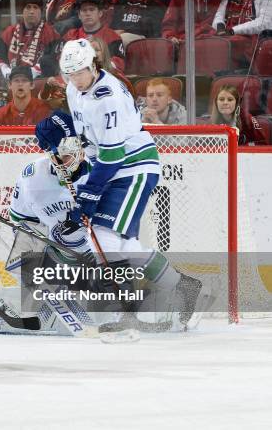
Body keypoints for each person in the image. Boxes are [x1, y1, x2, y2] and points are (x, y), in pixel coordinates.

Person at [34, 39, 207, 333]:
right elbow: (88, 140)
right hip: (109, 166)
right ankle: (180, 288)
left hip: (133, 167)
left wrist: (88, 195)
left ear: (93, 66)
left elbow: (113, 155)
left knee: (106, 241)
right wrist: (77, 166)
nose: (75, 80)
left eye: (80, 72)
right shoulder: (75, 89)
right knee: (110, 244)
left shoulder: (108, 96)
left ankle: (131, 312)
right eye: (70, 74)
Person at [0, 0, 60, 79]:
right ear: (22, 11)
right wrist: (7, 72)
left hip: (39, 80)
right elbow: (0, 58)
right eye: (28, 7)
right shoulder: (9, 32)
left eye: (35, 7)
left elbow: (52, 61)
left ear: (41, 11)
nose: (31, 11)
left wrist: (32, 72)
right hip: (11, 80)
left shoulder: (51, 33)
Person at [62, 0, 125, 72]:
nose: (88, 13)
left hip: (103, 77)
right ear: (79, 15)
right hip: (76, 78)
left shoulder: (112, 36)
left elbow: (119, 64)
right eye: (84, 10)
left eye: (91, 9)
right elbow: (61, 60)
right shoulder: (70, 36)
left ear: (100, 13)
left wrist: (94, 69)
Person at [212, 0, 272, 67]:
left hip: (254, 43)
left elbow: (264, 23)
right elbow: (219, 14)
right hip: (229, 38)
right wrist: (219, 27)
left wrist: (233, 30)